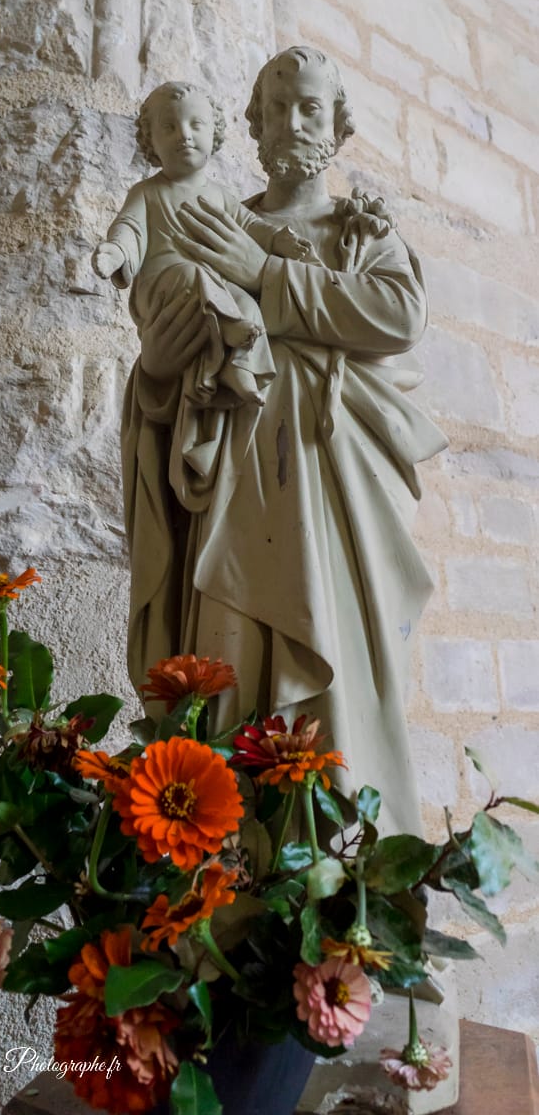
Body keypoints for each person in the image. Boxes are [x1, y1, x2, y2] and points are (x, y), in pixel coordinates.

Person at [121, 47, 448, 834]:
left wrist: (265, 275)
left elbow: (397, 316)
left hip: (331, 499)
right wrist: (157, 372)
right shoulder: (210, 222)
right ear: (254, 123)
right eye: (277, 108)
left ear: (336, 125)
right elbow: (168, 374)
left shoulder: (358, 232)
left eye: (310, 107)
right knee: (228, 688)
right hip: (230, 502)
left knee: (332, 709)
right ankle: (224, 870)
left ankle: (338, 878)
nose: (293, 122)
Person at [94, 80, 293, 410]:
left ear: (213, 133)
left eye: (195, 124)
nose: (184, 135)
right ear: (151, 140)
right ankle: (228, 332)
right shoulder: (148, 192)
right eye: (169, 127)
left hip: (213, 288)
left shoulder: (219, 195)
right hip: (165, 286)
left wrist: (276, 238)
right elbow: (130, 227)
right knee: (192, 277)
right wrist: (117, 252)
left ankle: (241, 369)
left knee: (246, 303)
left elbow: (250, 225)